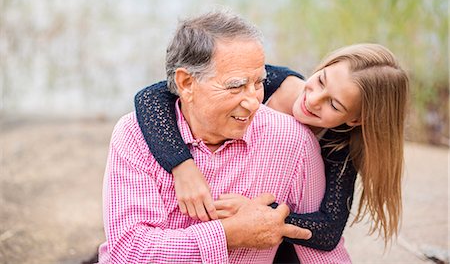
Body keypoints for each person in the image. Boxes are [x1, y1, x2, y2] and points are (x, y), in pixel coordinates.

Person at [98, 10, 351, 263]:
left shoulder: (295, 141)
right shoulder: (134, 134)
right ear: (186, 84)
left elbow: (323, 250)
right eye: (236, 86)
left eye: (259, 82)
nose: (253, 102)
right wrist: (229, 234)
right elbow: (129, 251)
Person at [134, 42, 409, 259]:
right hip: (199, 215)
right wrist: (182, 166)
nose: (313, 100)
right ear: (324, 65)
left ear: (356, 119)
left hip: (273, 247)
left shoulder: (339, 147)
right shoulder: (272, 83)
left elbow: (328, 230)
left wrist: (265, 217)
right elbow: (151, 96)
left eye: (334, 105)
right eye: (321, 81)